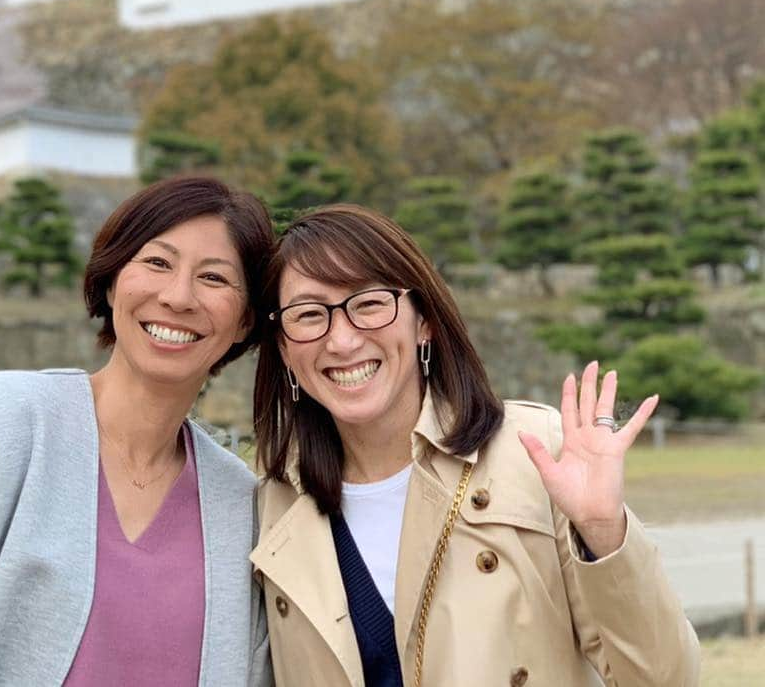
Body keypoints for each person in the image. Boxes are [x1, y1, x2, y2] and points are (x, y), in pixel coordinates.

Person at [0, 176, 274, 687]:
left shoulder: (239, 504)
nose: (178, 297)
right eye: (157, 263)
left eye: (214, 278)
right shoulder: (5, 423)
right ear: (114, 279)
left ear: (246, 320)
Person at [252, 204, 699, 687]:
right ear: (283, 348)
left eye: (369, 303)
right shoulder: (274, 502)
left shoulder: (533, 454)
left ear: (424, 322)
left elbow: (667, 678)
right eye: (309, 314)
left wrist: (605, 535)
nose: (341, 340)